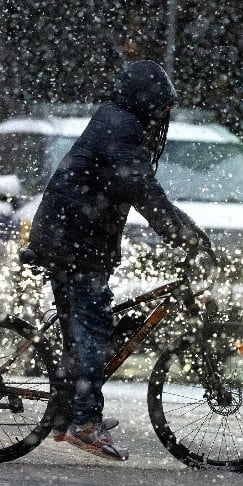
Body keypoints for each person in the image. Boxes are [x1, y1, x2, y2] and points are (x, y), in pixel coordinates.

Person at [25, 60, 211, 461]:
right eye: (161, 107)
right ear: (147, 101)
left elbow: (145, 189)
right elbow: (141, 187)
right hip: (74, 242)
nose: (164, 116)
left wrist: (188, 229)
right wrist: (180, 236)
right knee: (91, 327)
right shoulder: (122, 128)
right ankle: (85, 421)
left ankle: (64, 412)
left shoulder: (117, 121)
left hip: (71, 237)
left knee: (85, 329)